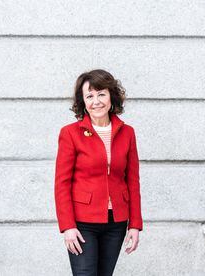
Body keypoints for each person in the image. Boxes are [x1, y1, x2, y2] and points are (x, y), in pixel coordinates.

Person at [54, 69, 143, 276]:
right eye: (90, 96)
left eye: (101, 94)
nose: (96, 101)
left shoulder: (127, 132)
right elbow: (62, 184)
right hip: (82, 223)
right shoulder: (70, 133)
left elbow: (133, 180)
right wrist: (67, 226)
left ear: (111, 96)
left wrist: (135, 224)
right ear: (83, 101)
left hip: (116, 223)